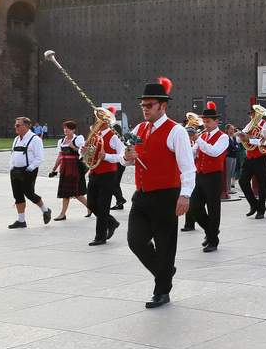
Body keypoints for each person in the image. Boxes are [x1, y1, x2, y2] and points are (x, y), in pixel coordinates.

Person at [123, 78, 195, 308]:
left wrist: (185, 195)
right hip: (142, 194)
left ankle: (162, 291)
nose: (144, 109)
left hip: (166, 195)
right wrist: (127, 156)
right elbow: (127, 160)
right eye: (142, 105)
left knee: (165, 245)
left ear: (162, 106)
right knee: (135, 241)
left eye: (149, 105)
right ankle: (165, 271)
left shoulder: (177, 131)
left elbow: (187, 167)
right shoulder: (139, 129)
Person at [190, 103, 229, 252]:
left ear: (215, 121)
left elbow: (214, 152)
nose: (205, 124)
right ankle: (211, 232)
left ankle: (213, 240)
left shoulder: (223, 137)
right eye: (204, 121)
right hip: (200, 176)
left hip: (214, 177)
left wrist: (199, 140)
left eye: (207, 121)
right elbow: (193, 153)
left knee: (213, 209)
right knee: (194, 207)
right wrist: (189, 146)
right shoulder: (204, 136)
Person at [85, 109, 124, 246]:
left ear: (107, 122)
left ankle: (100, 236)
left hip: (108, 174)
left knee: (103, 206)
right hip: (94, 172)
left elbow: (121, 156)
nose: (97, 122)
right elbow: (87, 150)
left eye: (100, 120)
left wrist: (106, 156)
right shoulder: (95, 135)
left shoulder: (114, 136)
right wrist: (82, 150)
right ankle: (111, 222)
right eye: (97, 120)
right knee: (91, 204)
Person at [7, 116, 51, 229]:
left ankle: (45, 210)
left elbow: (39, 158)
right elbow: (12, 154)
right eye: (15, 125)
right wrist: (12, 166)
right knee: (17, 195)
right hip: (15, 170)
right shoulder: (16, 139)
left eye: (18, 125)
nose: (15, 127)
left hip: (28, 170)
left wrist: (30, 168)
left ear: (26, 126)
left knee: (29, 193)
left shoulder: (35, 139)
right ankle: (21, 220)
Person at [50, 120, 89, 220]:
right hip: (65, 168)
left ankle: (90, 208)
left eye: (68, 128)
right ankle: (63, 214)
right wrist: (54, 169)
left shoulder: (78, 139)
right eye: (64, 128)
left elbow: (84, 152)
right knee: (66, 193)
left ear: (73, 130)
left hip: (76, 168)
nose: (65, 130)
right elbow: (60, 157)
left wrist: (74, 147)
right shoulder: (61, 141)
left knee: (77, 193)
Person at [237, 114, 266, 219]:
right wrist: (242, 135)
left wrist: (249, 139)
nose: (252, 116)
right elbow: (239, 140)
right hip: (249, 158)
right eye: (251, 113)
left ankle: (261, 210)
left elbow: (264, 142)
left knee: (262, 185)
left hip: (261, 158)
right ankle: (253, 204)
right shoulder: (249, 125)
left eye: (254, 113)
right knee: (242, 181)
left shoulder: (265, 125)